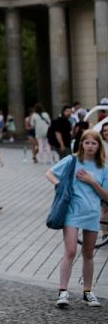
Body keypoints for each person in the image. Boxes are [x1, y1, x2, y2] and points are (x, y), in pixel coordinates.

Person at [46, 129, 108, 309]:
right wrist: (60, 186)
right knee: (70, 250)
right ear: (81, 144)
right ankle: (63, 291)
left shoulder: (103, 168)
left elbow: (106, 196)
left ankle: (87, 292)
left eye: (93, 143)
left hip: (92, 214)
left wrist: (92, 181)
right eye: (86, 142)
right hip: (72, 212)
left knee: (88, 253)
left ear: (99, 146)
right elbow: (49, 173)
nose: (90, 146)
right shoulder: (72, 160)